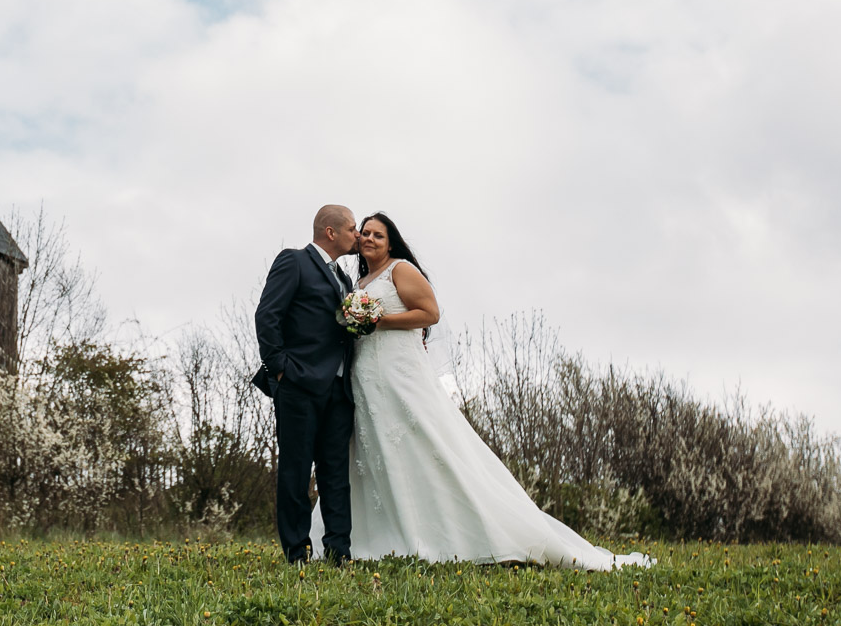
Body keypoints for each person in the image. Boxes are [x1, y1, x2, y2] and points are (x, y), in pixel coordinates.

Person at [323, 212, 652, 570]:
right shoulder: (360, 281)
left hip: (400, 375)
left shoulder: (400, 270)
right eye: (365, 233)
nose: (369, 238)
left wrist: (378, 320)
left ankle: (464, 532)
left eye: (378, 235)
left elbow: (429, 313)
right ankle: (381, 534)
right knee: (376, 451)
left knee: (426, 445)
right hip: (368, 377)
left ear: (391, 242)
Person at [253, 204, 361, 564]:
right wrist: (280, 368)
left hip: (338, 390)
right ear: (330, 232)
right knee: (296, 472)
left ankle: (338, 552)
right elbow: (267, 316)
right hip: (298, 384)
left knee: (335, 474)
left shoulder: (344, 279)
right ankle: (296, 552)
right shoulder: (294, 261)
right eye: (352, 229)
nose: (357, 235)